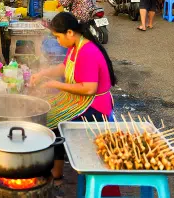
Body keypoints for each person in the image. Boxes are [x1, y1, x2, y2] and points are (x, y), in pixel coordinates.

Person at [29, 12, 115, 182]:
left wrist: (55, 85)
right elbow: (63, 67)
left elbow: (89, 89)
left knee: (52, 121)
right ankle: (56, 169)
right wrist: (42, 74)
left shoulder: (87, 51)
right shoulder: (75, 46)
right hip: (82, 99)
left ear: (69, 32)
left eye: (58, 37)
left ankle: (56, 172)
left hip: (96, 106)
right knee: (47, 109)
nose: (58, 41)